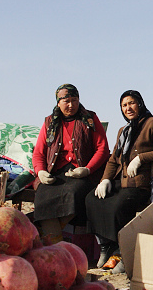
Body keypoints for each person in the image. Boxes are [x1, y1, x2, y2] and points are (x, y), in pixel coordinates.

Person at [86, 90, 153, 273]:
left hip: (143, 185)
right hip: (124, 182)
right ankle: (106, 245)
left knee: (119, 205)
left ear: (140, 104)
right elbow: (113, 160)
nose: (128, 108)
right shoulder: (123, 131)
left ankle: (122, 252)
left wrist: (141, 158)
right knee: (91, 198)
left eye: (132, 103)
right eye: (124, 105)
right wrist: (104, 180)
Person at [31, 84, 110, 244]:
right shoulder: (49, 123)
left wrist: (87, 170)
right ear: (58, 103)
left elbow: (102, 148)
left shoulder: (90, 119)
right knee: (43, 196)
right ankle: (55, 243)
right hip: (56, 173)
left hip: (81, 173)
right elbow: (39, 152)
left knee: (74, 194)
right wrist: (40, 171)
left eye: (75, 100)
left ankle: (50, 240)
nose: (71, 105)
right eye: (66, 101)